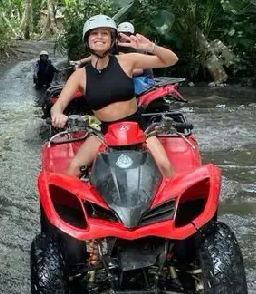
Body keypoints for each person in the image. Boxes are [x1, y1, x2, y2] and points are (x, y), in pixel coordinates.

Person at [51, 15, 178, 178]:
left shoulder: (127, 61)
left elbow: (171, 60)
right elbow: (59, 104)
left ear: (112, 40)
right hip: (103, 130)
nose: (99, 37)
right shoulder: (79, 75)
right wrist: (57, 114)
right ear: (87, 39)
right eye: (94, 33)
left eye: (104, 33)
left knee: (164, 164)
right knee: (74, 168)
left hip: (137, 125)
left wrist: (151, 47)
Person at [117, 22, 156, 95]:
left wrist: (119, 74)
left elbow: (139, 70)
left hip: (144, 79)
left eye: (126, 34)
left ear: (131, 35)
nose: (123, 37)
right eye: (120, 34)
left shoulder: (138, 48)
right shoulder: (119, 47)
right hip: (130, 78)